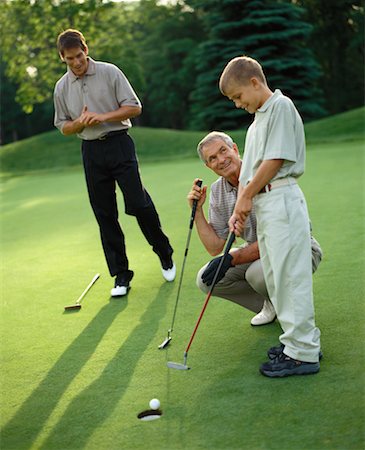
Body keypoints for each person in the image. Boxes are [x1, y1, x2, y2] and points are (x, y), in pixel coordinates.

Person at [219, 55, 322, 377]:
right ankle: (295, 343)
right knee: (277, 279)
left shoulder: (281, 106)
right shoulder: (257, 121)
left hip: (281, 199)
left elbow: (276, 160)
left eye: (238, 96)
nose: (238, 104)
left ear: (254, 82)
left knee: (291, 278)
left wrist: (246, 196)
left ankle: (303, 353)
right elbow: (250, 173)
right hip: (266, 205)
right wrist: (240, 207)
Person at [53, 29, 175, 296]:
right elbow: (63, 126)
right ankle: (121, 274)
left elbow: (134, 107)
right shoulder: (61, 87)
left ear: (86, 48)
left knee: (137, 203)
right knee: (104, 213)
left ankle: (164, 253)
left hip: (119, 142)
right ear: (62, 57)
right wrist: (79, 124)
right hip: (91, 151)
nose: (76, 62)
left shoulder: (110, 72)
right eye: (70, 59)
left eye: (80, 55)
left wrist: (103, 116)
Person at [188, 131, 322, 327]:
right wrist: (197, 210)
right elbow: (215, 247)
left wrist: (232, 258)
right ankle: (273, 305)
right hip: (258, 255)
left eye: (223, 151)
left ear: (235, 149)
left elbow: (278, 237)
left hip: (297, 248)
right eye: (213, 158)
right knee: (206, 278)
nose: (221, 160)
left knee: (256, 275)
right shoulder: (218, 190)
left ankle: (294, 313)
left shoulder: (263, 175)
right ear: (208, 166)